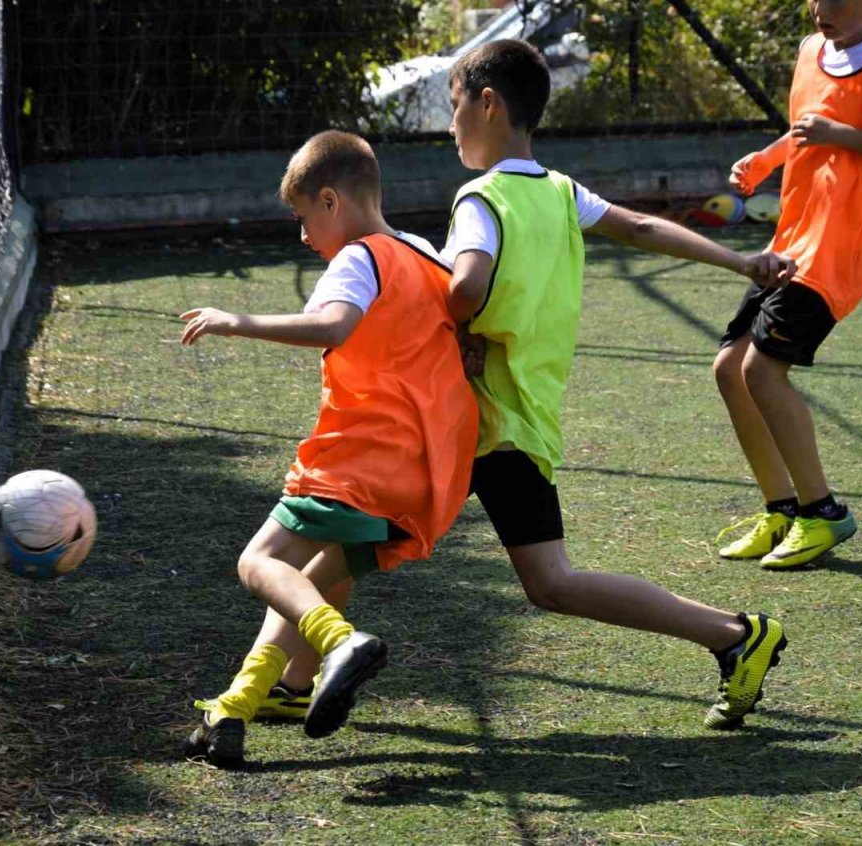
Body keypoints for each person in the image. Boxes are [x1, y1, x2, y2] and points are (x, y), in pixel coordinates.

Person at [264, 39, 798, 734]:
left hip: (472, 419)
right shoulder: (560, 190)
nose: (451, 124)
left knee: (368, 542)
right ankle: (290, 681)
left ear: (487, 104)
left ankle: (731, 634)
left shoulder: (481, 199)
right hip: (521, 416)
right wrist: (742, 260)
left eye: (455, 107)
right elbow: (637, 226)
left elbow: (465, 288)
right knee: (366, 542)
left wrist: (438, 324)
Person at [179, 130, 478, 767]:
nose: (304, 235)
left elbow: (334, 324)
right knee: (318, 578)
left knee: (258, 564)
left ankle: (340, 645)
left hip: (358, 459)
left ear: (331, 200)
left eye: (303, 218)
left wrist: (239, 321)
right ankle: (253, 697)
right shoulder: (426, 254)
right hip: (426, 471)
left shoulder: (358, 256)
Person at [715, 0, 862, 570]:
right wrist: (766, 160)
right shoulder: (811, 52)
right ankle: (782, 510)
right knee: (728, 370)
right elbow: (805, 131)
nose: (823, 8)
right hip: (792, 236)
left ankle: (825, 513)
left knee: (761, 370)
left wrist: (841, 133)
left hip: (840, 249)